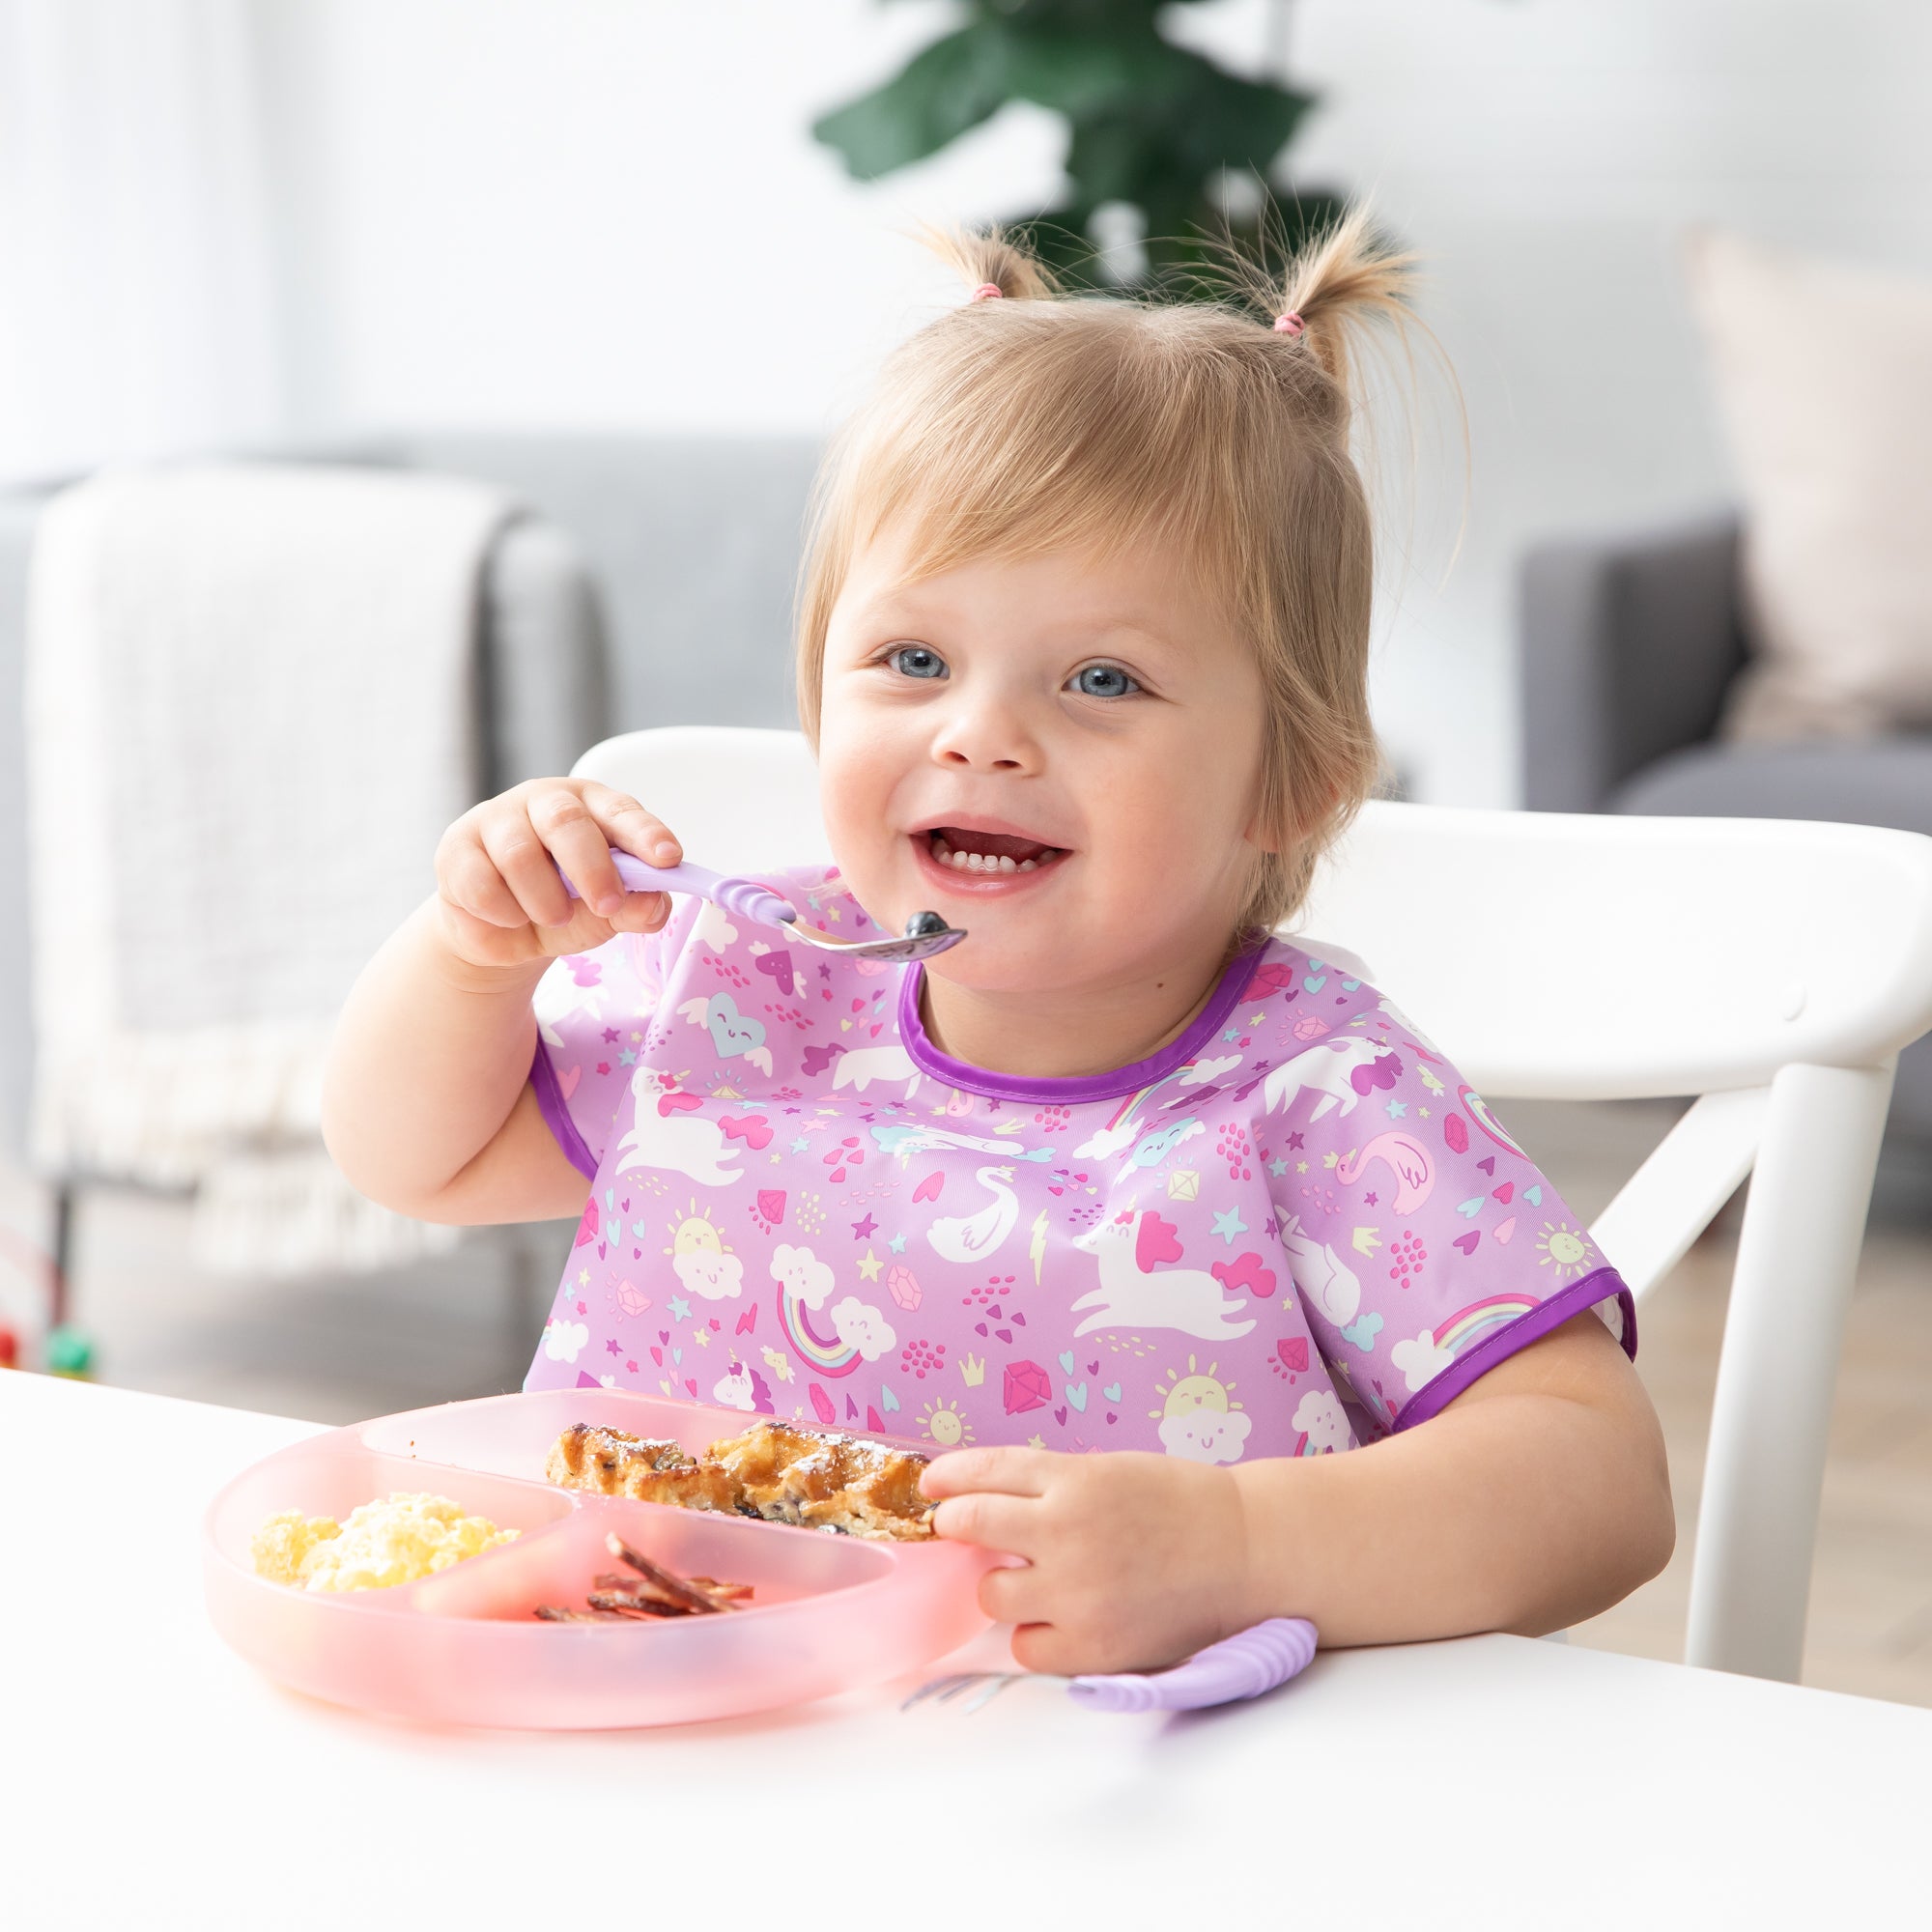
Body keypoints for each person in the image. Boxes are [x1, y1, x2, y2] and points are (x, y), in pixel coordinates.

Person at [323, 212, 1673, 1674]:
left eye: (1102, 678)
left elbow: (1600, 1489)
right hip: (680, 1718)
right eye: (913, 661)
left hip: (1138, 1792)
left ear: (1292, 782)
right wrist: (474, 954)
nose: (981, 733)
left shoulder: (1318, 1101)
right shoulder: (739, 993)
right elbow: (419, 1157)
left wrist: (1235, 1550)